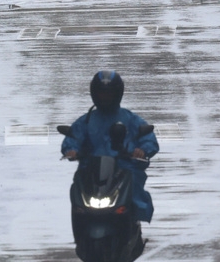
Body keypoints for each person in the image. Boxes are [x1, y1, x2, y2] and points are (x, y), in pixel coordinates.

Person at [61, 70, 159, 222]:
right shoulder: (86, 120)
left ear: (117, 94)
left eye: (109, 94)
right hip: (91, 171)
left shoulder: (130, 119)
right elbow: (74, 136)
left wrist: (142, 150)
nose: (105, 97)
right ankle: (80, 226)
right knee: (77, 189)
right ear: (94, 93)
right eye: (101, 93)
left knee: (134, 185)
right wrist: (71, 150)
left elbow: (148, 137)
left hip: (123, 169)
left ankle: (133, 220)